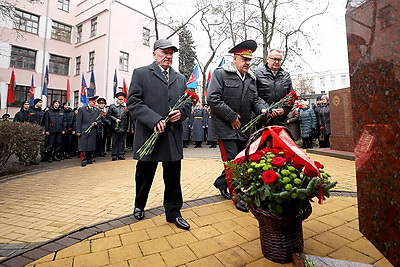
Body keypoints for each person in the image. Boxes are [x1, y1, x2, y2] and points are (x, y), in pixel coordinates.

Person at [127, 39, 192, 230]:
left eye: (171, 53)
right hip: (150, 134)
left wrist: (183, 113)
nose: (168, 56)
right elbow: (133, 102)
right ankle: (139, 205)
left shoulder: (180, 78)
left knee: (173, 177)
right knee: (144, 174)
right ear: (154, 54)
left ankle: (173, 213)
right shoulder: (141, 74)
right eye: (164, 52)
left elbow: (187, 102)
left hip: (172, 136)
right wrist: (154, 119)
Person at [207, 40, 267, 212]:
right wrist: (231, 116)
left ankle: (221, 182)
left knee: (242, 161)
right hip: (226, 128)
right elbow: (212, 98)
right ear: (235, 58)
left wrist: (263, 108)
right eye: (244, 58)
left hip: (245, 127)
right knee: (232, 163)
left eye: (250, 59)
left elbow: (255, 99)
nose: (247, 62)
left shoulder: (250, 78)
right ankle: (238, 196)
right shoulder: (221, 74)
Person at [255, 48, 294, 126]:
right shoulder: (257, 74)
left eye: (279, 60)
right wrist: (267, 109)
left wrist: (284, 110)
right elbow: (254, 96)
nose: (276, 62)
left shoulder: (286, 76)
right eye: (274, 59)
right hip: (262, 120)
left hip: (281, 120)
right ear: (267, 59)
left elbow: (291, 96)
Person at [76, 95, 101, 167]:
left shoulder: (97, 110)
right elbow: (78, 121)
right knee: (83, 146)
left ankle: (89, 158)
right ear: (89, 102)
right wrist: (78, 131)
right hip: (84, 130)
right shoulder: (82, 109)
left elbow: (99, 120)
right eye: (94, 102)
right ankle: (83, 159)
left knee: (91, 145)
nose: (95, 104)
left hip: (92, 130)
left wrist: (96, 123)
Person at [107, 92, 131, 161]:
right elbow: (108, 115)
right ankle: (114, 154)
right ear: (117, 99)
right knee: (114, 141)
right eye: (119, 99)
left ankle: (121, 154)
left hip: (123, 127)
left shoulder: (126, 107)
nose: (121, 100)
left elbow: (129, 118)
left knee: (122, 141)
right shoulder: (112, 106)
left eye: (122, 99)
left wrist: (128, 128)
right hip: (115, 127)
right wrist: (115, 119)